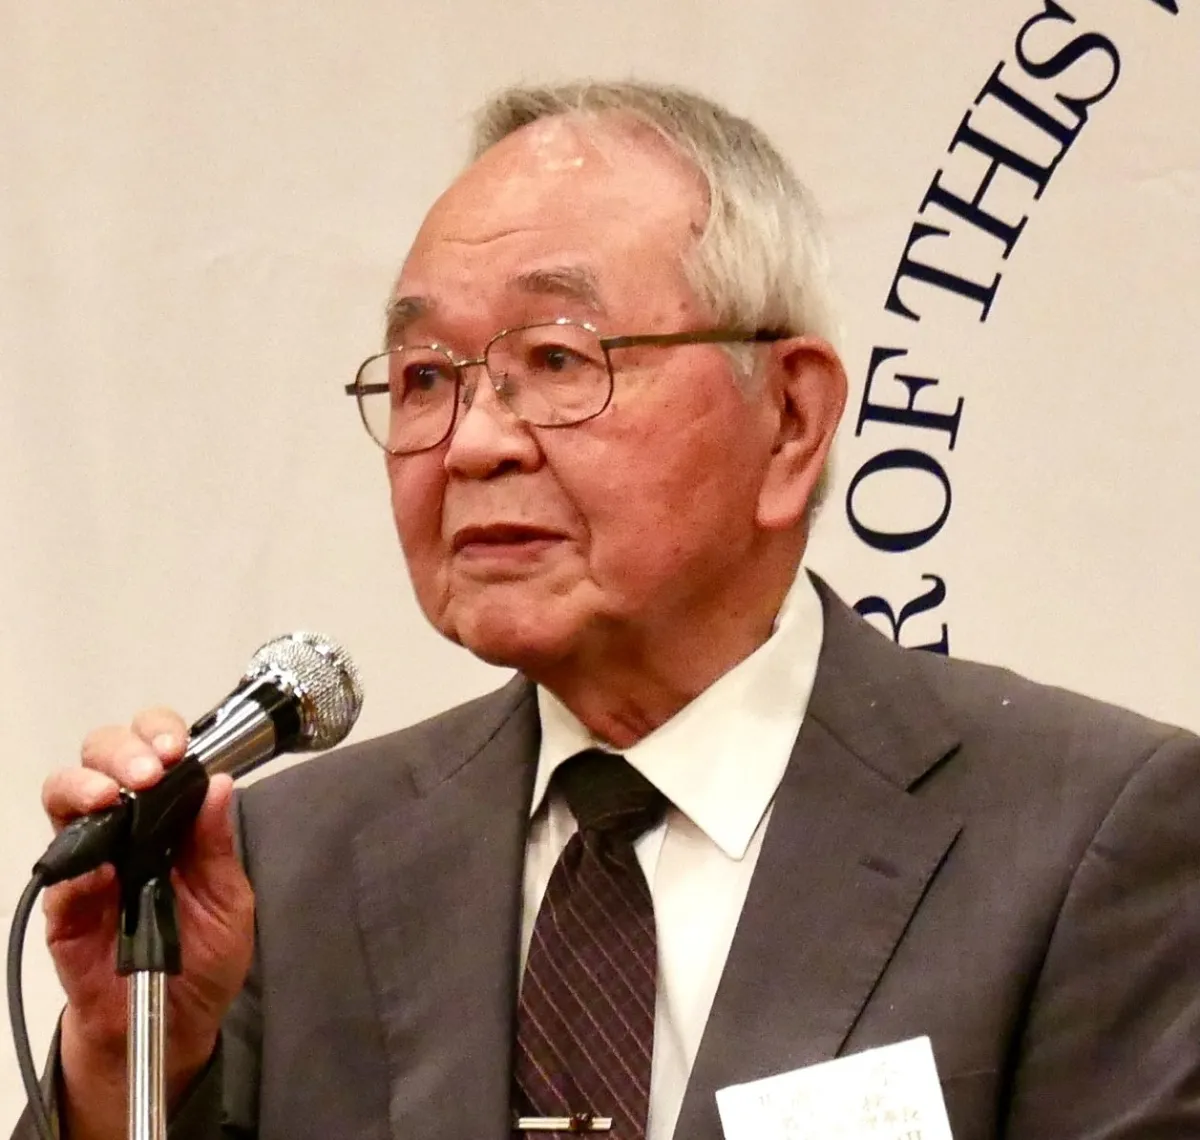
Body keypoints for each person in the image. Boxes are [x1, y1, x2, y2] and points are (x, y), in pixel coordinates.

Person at [16, 80, 1200, 1140]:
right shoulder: (279, 869)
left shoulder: (1085, 839)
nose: (473, 444)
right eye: (425, 378)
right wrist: (129, 1066)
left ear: (790, 419)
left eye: (558, 359)